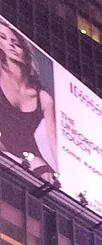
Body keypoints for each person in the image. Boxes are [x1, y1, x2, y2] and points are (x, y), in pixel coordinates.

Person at [0, 20, 57, 181]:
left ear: (24, 51)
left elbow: (56, 148)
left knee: (46, 177)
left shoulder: (43, 98)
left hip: (30, 157)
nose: (11, 45)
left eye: (16, 43)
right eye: (2, 38)